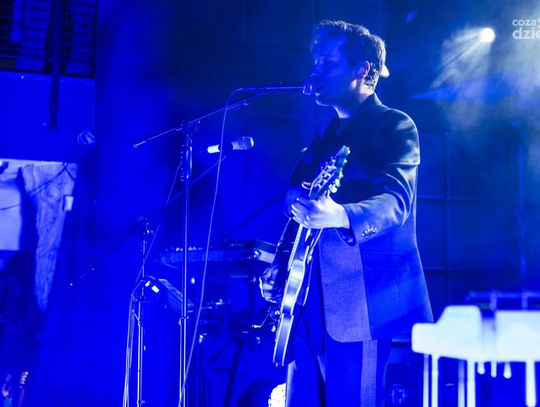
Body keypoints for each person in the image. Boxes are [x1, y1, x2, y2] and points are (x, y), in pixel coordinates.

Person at [259, 20, 433, 406]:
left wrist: (340, 215)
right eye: (315, 62)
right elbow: (298, 213)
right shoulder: (324, 139)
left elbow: (396, 202)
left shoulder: (394, 125)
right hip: (306, 305)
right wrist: (280, 267)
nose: (315, 71)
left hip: (362, 302)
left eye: (327, 62)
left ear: (361, 70)